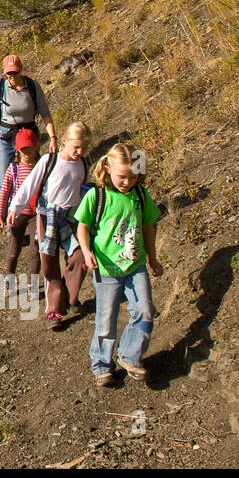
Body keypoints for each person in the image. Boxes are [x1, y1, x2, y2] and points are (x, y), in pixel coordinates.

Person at [73, 143, 163, 388]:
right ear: (108, 169)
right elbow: (81, 226)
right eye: (122, 176)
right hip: (106, 268)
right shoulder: (98, 196)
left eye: (132, 177)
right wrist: (86, 250)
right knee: (106, 318)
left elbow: (148, 227)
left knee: (145, 310)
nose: (127, 182)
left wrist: (152, 257)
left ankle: (130, 356)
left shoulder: (141, 196)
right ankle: (102, 364)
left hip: (135, 265)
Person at [11, 121, 92, 329]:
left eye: (84, 148)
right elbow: (30, 185)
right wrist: (15, 208)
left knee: (80, 255)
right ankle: (54, 311)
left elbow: (81, 190)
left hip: (72, 217)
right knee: (50, 261)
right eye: (76, 147)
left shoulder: (83, 163)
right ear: (64, 141)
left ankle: (70, 297)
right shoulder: (49, 160)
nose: (79, 152)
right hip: (47, 215)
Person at [0, 55, 56, 201]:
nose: (11, 76)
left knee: (30, 173)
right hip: (5, 134)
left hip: (28, 134)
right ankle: (4, 213)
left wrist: (53, 138)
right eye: (9, 73)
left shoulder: (32, 86)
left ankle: (30, 208)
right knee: (4, 176)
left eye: (14, 72)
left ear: (20, 70)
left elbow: (45, 113)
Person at [0, 128, 41, 290]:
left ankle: (31, 284)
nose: (27, 152)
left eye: (30, 148)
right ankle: (9, 277)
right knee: (14, 247)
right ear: (17, 149)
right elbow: (4, 193)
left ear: (36, 146)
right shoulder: (13, 169)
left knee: (35, 250)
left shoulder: (41, 168)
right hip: (17, 214)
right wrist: (0, 215)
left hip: (36, 214)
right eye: (23, 149)